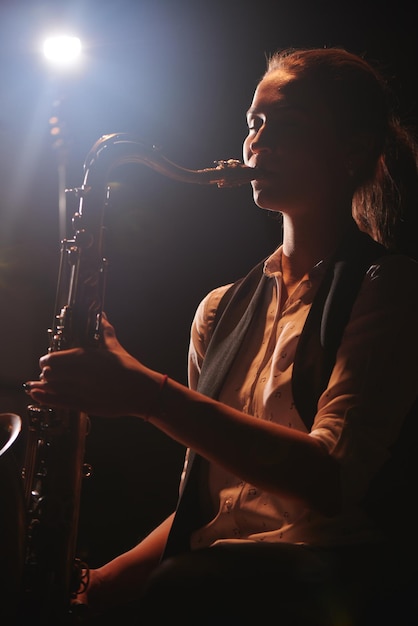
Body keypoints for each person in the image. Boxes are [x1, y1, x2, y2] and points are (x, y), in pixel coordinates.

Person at [25, 47, 418, 625]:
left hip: (334, 580)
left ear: (353, 149)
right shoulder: (219, 310)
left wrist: (147, 394)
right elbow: (202, 509)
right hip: (209, 579)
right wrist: (101, 584)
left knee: (188, 585)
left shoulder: (390, 286)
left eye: (285, 126)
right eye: (254, 124)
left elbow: (327, 479)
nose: (257, 142)